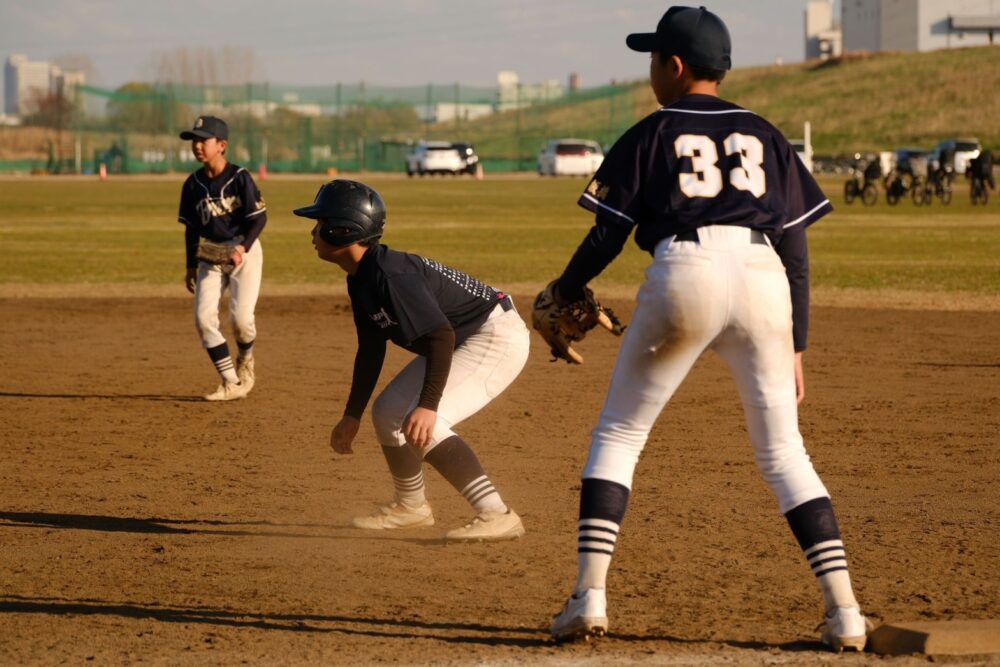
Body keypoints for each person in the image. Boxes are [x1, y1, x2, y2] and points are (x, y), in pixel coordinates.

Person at [543, 6, 871, 651]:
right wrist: (796, 342)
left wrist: (568, 286)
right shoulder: (767, 134)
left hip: (684, 271)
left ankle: (590, 597)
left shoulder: (652, 129)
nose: (650, 72)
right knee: (784, 455)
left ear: (675, 65)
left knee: (620, 433)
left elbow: (609, 230)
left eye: (653, 59)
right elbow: (796, 250)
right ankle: (848, 613)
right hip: (762, 277)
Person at [293, 179, 529, 541]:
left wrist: (429, 404)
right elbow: (371, 349)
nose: (313, 231)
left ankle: (496, 512)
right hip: (463, 336)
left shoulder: (392, 275)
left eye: (320, 222)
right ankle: (411, 507)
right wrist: (352, 414)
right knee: (388, 412)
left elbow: (440, 336)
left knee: (424, 424)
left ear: (344, 230)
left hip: (494, 336)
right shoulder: (361, 277)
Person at [178, 116, 267, 401]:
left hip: (245, 250)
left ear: (222, 145)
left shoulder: (240, 177)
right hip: (211, 254)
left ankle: (246, 359)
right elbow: (191, 228)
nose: (197, 146)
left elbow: (259, 219)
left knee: (241, 320)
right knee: (204, 319)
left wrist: (242, 248)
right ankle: (231, 382)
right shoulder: (192, 184)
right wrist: (191, 265)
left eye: (203, 140)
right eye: (194, 140)